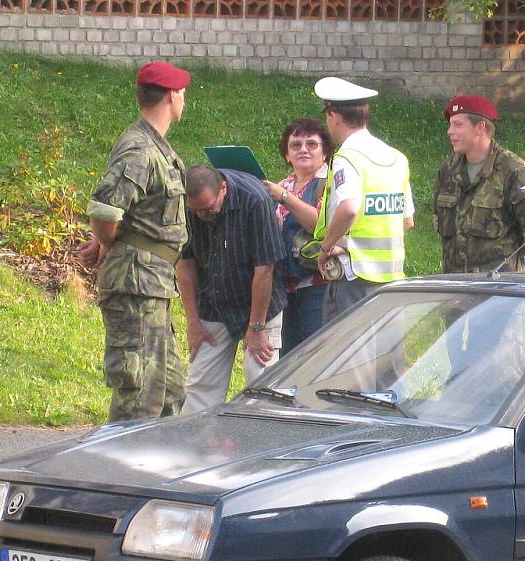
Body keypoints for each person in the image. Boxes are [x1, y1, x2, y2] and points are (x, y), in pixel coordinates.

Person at [78, 61, 190, 422]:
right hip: (137, 285)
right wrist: (112, 244)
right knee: (139, 398)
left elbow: (132, 211)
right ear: (172, 96)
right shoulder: (140, 149)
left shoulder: (154, 145)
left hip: (152, 284)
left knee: (169, 394)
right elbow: (105, 210)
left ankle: (159, 475)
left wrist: (118, 239)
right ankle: (118, 475)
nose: (184, 100)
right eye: (183, 94)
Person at [177, 165, 287, 414]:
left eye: (207, 209)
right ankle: (195, 445)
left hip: (261, 303)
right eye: (194, 211)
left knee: (261, 381)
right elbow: (185, 265)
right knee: (201, 382)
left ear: (223, 189)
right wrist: (193, 323)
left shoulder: (255, 200)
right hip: (213, 299)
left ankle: (259, 445)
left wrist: (256, 328)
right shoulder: (185, 206)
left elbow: (265, 269)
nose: (201, 215)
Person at [310, 77, 413, 325]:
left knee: (347, 359)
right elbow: (407, 221)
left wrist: (326, 248)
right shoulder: (396, 157)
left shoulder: (348, 157)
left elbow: (349, 209)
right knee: (387, 360)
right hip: (391, 280)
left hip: (353, 278)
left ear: (334, 115)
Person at [433, 94, 525, 273]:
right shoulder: (448, 170)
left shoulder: (514, 172)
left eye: (458, 124)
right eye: (450, 124)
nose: (450, 131)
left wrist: (510, 267)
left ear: (480, 127)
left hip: (500, 291)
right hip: (456, 287)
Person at [262, 118, 334, 356]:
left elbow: (322, 228)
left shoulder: (330, 184)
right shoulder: (282, 184)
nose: (303, 149)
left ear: (325, 152)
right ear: (286, 154)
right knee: (288, 359)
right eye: (296, 145)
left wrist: (285, 197)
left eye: (312, 144)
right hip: (283, 287)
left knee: (316, 357)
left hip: (318, 285)